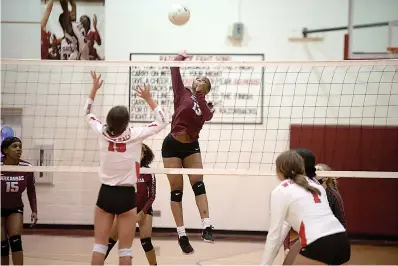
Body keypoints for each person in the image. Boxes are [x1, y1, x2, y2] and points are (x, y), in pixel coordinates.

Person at [85, 71, 168, 265]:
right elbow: (163, 121)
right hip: (126, 195)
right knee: (126, 250)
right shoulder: (135, 134)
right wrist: (149, 99)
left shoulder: (101, 131)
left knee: (99, 246)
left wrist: (94, 90)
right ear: (126, 123)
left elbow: (87, 113)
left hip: (105, 193)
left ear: (109, 120)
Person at [161, 51, 215, 254]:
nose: (199, 80)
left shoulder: (207, 105)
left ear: (207, 89)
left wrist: (200, 94)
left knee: (198, 184)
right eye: (198, 78)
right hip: (172, 145)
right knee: (177, 190)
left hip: (191, 146)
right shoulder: (181, 93)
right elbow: (174, 70)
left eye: (204, 81)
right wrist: (179, 58)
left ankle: (207, 226)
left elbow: (207, 116)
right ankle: (182, 235)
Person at [261, 150, 350, 265]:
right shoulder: (317, 186)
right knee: (290, 260)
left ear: (280, 170)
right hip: (342, 242)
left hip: (320, 244)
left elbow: (275, 236)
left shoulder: (280, 191)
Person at [105, 143, 157, 265]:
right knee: (110, 240)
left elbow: (152, 196)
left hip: (144, 209)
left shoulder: (149, 172)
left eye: (140, 152)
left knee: (146, 242)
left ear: (144, 155)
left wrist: (142, 213)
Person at [1, 137, 38, 265]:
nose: (18, 149)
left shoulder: (26, 167)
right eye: (14, 146)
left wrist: (34, 210)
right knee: (2, 245)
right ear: (5, 150)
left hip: (15, 208)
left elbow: (31, 190)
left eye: (20, 147)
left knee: (16, 240)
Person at [315, 163, 347, 228]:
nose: (314, 173)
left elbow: (341, 220)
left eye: (318, 171)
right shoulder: (309, 193)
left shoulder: (333, 195)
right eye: (314, 170)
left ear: (325, 178)